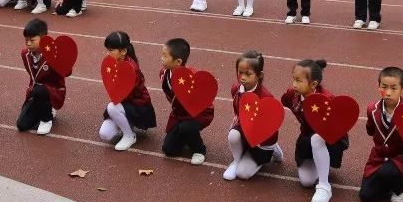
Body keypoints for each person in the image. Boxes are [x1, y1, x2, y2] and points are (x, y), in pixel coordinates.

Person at [281, 58, 347, 202]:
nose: (294, 84)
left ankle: (325, 186)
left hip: (329, 141)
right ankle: (320, 162)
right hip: (306, 140)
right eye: (293, 79)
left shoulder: (327, 99)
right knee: (306, 182)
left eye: (298, 81)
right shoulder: (292, 95)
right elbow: (281, 103)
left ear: (313, 84)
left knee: (317, 138)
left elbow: (338, 126)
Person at [224, 50, 282, 180]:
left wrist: (265, 141)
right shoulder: (236, 89)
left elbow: (270, 126)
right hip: (246, 130)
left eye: (248, 74)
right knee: (233, 134)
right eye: (240, 72)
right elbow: (238, 111)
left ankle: (273, 149)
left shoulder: (266, 98)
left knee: (243, 174)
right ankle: (237, 160)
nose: (242, 77)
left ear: (259, 75)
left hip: (262, 140)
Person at [361, 66, 403, 202]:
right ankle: (387, 182)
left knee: (388, 172)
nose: (388, 92)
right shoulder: (372, 109)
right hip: (378, 158)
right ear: (378, 86)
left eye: (393, 88)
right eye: (384, 87)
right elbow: (370, 131)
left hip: (400, 160)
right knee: (366, 196)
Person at [98, 31, 156, 152]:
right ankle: (126, 122)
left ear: (123, 51)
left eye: (111, 50)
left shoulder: (131, 69)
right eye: (107, 50)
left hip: (137, 105)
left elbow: (122, 94)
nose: (107, 53)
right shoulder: (113, 63)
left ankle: (130, 136)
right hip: (122, 104)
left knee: (112, 107)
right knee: (105, 134)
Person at [160, 37, 212, 165]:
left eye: (165, 56)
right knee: (169, 150)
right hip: (179, 115)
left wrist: (192, 117)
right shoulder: (164, 73)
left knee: (187, 127)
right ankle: (187, 136)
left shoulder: (192, 78)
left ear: (178, 61)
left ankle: (199, 149)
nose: (161, 58)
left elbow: (204, 99)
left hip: (197, 115)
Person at [18, 17, 65, 134]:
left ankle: (47, 119)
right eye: (26, 40)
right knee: (22, 125)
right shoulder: (25, 54)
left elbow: (65, 73)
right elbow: (33, 77)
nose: (28, 43)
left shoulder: (52, 54)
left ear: (43, 39)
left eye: (32, 40)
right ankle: (43, 109)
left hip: (53, 92)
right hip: (35, 92)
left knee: (40, 90)